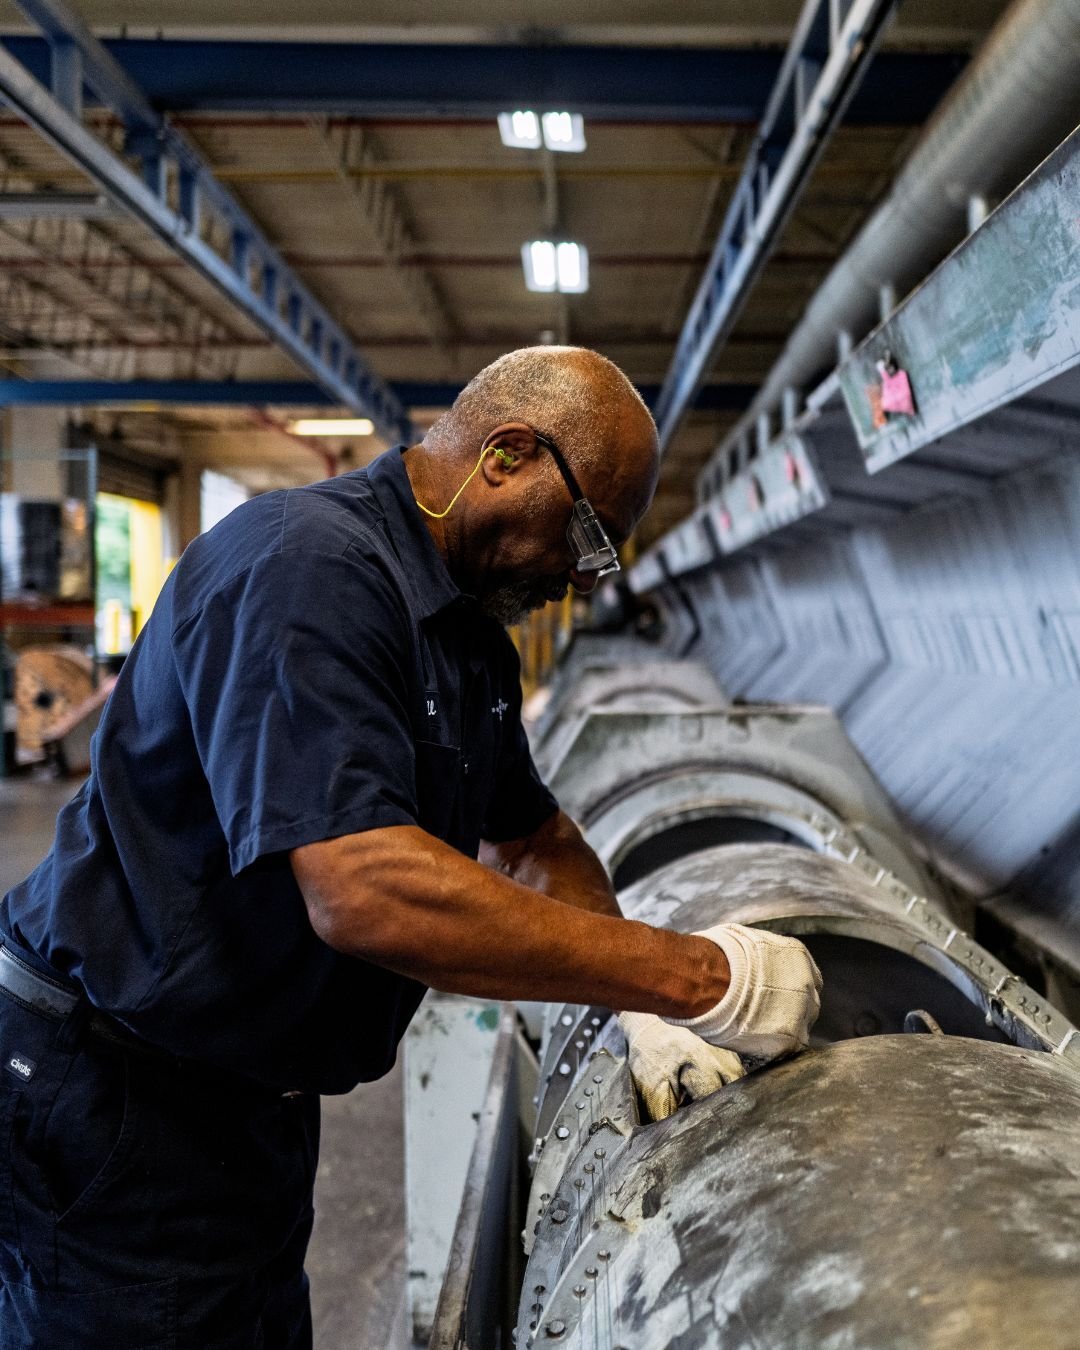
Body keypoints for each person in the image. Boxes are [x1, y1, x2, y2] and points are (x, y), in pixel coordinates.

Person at [0, 346, 820, 1348]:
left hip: (244, 1104)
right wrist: (694, 978)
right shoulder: (310, 572)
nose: (576, 575)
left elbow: (532, 835)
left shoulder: (466, 634)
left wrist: (633, 1008)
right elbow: (364, 888)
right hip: (119, 1098)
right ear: (508, 456)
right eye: (587, 532)